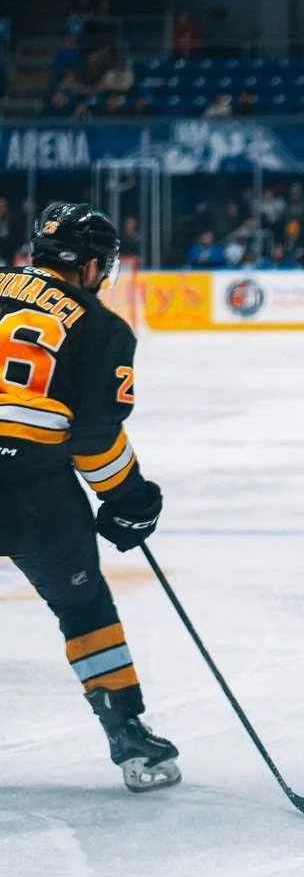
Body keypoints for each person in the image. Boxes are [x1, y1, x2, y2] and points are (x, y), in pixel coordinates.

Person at [0, 203, 176, 792]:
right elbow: (95, 440)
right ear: (94, 265)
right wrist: (131, 498)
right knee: (83, 609)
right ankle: (127, 735)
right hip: (34, 491)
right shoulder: (100, 327)